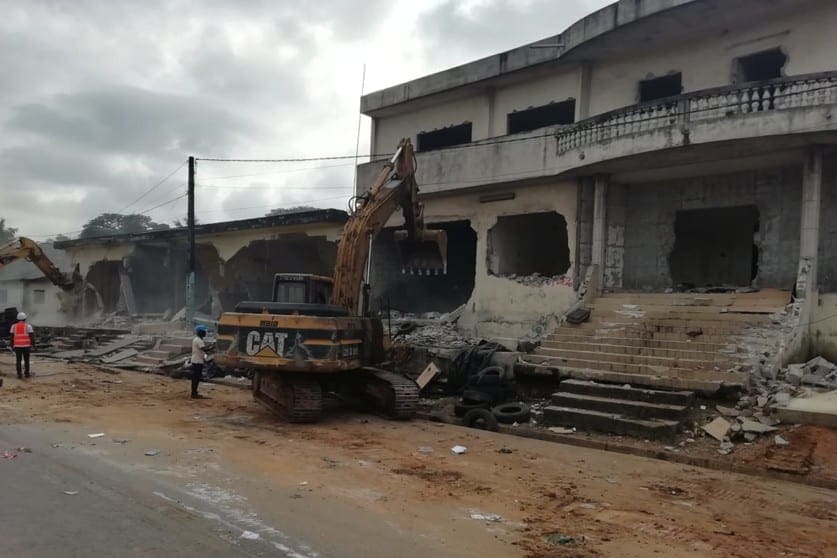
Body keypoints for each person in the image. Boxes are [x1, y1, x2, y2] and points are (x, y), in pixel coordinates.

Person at [10, 312, 34, 379]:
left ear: (17, 319)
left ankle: (19, 374)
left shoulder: (13, 326)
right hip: (26, 346)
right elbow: (32, 337)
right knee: (26, 360)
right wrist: (34, 346)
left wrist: (12, 346)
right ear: (25, 318)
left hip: (17, 346)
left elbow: (11, 337)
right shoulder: (28, 326)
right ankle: (27, 374)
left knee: (18, 360)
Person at [190, 325, 209, 399]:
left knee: (196, 377)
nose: (205, 333)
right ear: (201, 332)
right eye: (204, 332)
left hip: (196, 360)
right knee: (196, 378)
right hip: (198, 361)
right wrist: (214, 347)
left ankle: (194, 392)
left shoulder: (197, 339)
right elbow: (205, 349)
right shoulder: (199, 340)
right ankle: (194, 393)